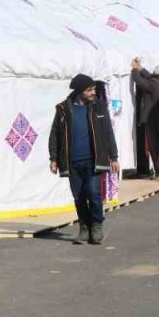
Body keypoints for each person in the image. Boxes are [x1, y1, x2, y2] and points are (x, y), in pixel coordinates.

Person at [49, 73, 120, 244]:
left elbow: (108, 132)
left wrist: (114, 156)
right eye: (89, 90)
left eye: (94, 89)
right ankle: (84, 227)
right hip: (72, 161)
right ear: (80, 91)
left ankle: (96, 225)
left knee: (94, 193)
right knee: (79, 196)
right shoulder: (63, 109)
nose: (93, 92)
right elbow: (55, 133)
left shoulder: (99, 106)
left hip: (93, 159)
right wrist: (54, 158)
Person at [131, 59, 159, 179]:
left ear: (156, 74)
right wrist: (141, 68)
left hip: (153, 117)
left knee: (154, 144)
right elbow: (151, 77)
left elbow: (140, 82)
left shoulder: (154, 83)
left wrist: (134, 69)